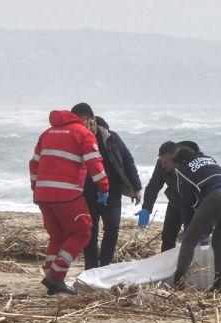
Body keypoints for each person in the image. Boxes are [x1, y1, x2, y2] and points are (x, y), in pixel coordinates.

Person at [29, 103, 109, 295]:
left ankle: (50, 273)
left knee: (58, 236)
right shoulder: (83, 133)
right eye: (91, 122)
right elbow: (94, 164)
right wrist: (104, 187)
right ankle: (57, 275)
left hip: (43, 194)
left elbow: (34, 164)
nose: (92, 126)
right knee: (83, 231)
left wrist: (36, 188)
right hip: (67, 194)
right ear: (86, 119)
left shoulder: (47, 133)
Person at [170, 146, 221, 293]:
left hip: (217, 197)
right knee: (219, 242)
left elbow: (186, 202)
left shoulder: (183, 170)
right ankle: (219, 283)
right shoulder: (209, 160)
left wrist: (188, 227)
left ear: (180, 163)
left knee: (189, 241)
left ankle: (178, 283)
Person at [82, 115, 142, 269]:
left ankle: (106, 266)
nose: (89, 127)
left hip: (112, 190)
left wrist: (136, 187)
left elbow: (128, 160)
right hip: (87, 192)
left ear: (94, 121)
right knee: (89, 231)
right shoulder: (79, 139)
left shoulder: (111, 138)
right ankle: (91, 268)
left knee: (113, 227)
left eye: (91, 123)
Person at [136, 140, 200, 251]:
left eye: (166, 162)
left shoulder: (190, 164)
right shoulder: (162, 164)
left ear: (175, 158)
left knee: (192, 237)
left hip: (192, 205)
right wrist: (146, 208)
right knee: (167, 237)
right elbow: (153, 185)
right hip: (175, 203)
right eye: (161, 161)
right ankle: (165, 265)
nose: (163, 165)